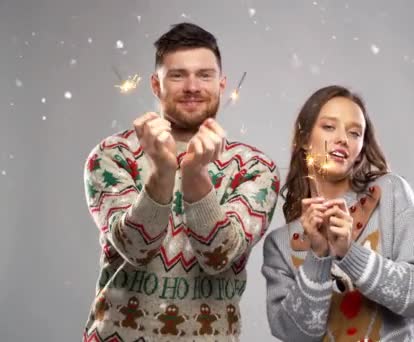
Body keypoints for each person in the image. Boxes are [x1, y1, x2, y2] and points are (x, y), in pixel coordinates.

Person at [82, 22, 280, 341]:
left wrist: (195, 176)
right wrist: (162, 173)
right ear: (156, 85)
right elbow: (136, 247)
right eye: (177, 75)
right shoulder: (112, 155)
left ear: (222, 84)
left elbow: (219, 256)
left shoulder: (254, 167)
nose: (192, 86)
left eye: (205, 75)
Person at [262, 85, 414, 341]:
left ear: (361, 146)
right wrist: (317, 257)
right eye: (329, 127)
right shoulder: (280, 244)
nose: (342, 138)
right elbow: (295, 335)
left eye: (354, 132)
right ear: (304, 139)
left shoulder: (390, 193)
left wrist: (349, 253)